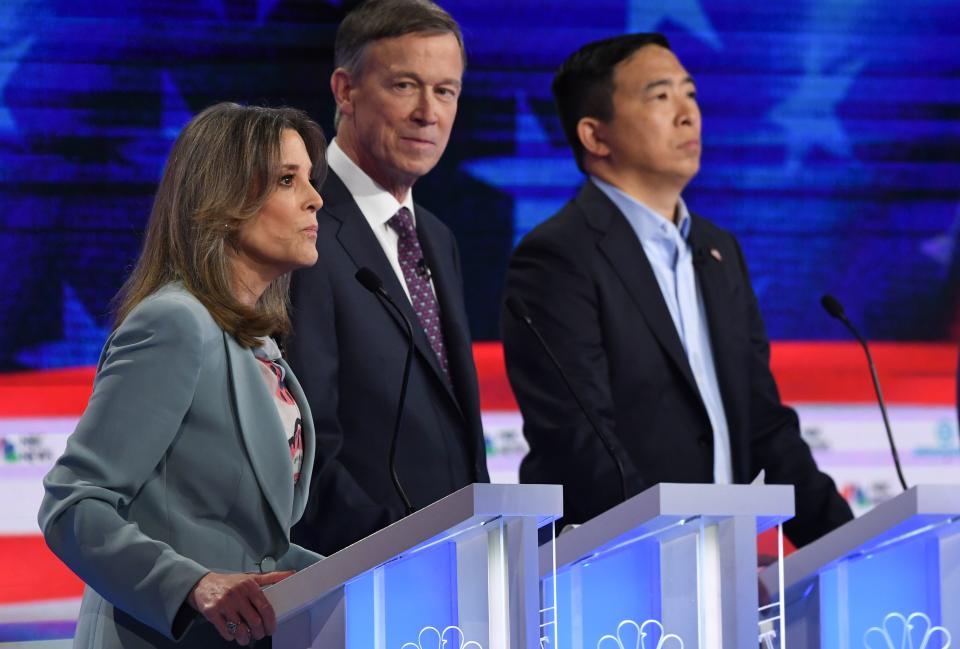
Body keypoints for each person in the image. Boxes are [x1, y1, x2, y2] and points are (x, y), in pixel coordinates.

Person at [500, 34, 853, 547]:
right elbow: (579, 442)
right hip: (612, 576)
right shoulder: (558, 256)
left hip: (713, 568)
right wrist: (679, 553)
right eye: (660, 97)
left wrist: (848, 547)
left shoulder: (718, 250)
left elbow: (764, 429)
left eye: (690, 93)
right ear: (596, 136)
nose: (688, 114)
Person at [38, 102, 327, 648]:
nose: (315, 198)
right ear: (224, 203)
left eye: (310, 179)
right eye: (288, 180)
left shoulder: (255, 344)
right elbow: (72, 503)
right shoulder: (174, 323)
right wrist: (192, 584)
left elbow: (252, 543)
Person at [288, 0, 489, 556]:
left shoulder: (437, 237)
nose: (429, 112)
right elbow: (304, 448)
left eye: (446, 91)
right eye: (405, 85)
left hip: (457, 578)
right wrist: (400, 554)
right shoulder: (301, 225)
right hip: (363, 578)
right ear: (345, 91)